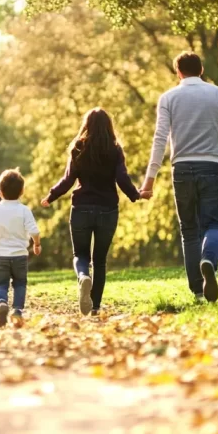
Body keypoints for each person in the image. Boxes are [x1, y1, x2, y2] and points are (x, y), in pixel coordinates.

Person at [140, 52, 218, 303]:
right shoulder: (217, 93)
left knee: (189, 231)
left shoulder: (168, 98)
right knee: (214, 224)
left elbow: (160, 139)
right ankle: (208, 259)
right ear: (202, 69)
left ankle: (197, 291)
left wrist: (149, 179)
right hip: (213, 166)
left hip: (182, 169)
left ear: (178, 72)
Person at [43, 108, 142, 316]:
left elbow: (68, 180)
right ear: (108, 126)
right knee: (100, 260)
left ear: (86, 125)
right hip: (107, 209)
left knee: (80, 254)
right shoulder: (115, 150)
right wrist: (136, 195)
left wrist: (51, 196)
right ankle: (95, 306)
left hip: (81, 208)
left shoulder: (78, 148)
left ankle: (82, 277)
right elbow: (122, 179)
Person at [0, 169, 42, 327]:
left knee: (0, 284)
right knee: (20, 283)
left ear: (0, 192)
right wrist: (37, 244)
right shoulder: (24, 211)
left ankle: (1, 303)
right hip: (20, 255)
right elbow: (34, 231)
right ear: (22, 191)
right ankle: (17, 311)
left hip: (0, 256)